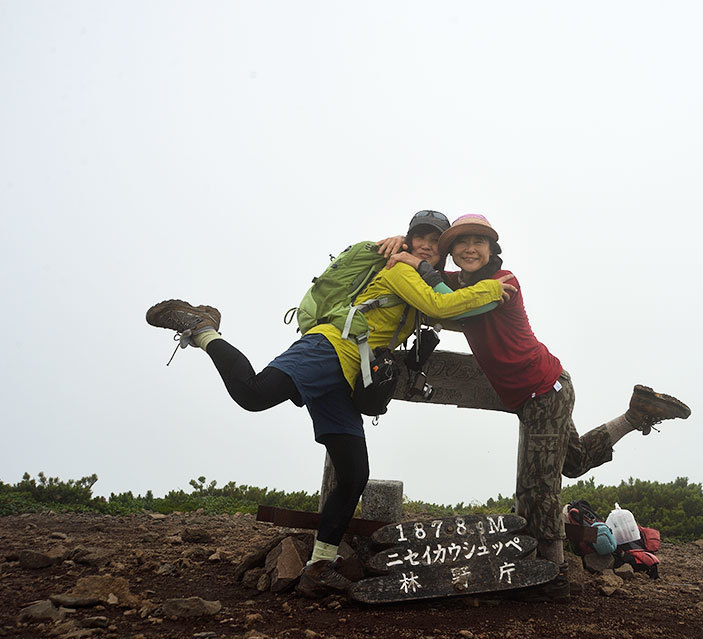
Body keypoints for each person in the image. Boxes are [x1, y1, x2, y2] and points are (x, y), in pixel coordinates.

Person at [145, 211, 514, 595]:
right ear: (408, 241)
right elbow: (444, 307)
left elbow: (447, 305)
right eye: (419, 237)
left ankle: (319, 566)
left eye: (436, 242)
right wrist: (494, 289)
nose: (426, 245)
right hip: (328, 348)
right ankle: (203, 328)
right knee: (253, 394)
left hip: (347, 377)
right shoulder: (401, 271)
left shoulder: (421, 284)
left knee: (354, 474)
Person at [437, 214, 691, 602]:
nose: (470, 248)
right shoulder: (457, 283)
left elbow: (451, 307)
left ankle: (553, 575)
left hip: (544, 390)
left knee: (537, 485)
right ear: (451, 252)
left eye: (479, 241)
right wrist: (401, 251)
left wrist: (423, 270)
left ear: (492, 250)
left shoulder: (503, 283)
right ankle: (635, 415)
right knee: (571, 463)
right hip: (543, 389)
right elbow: (436, 293)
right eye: (461, 242)